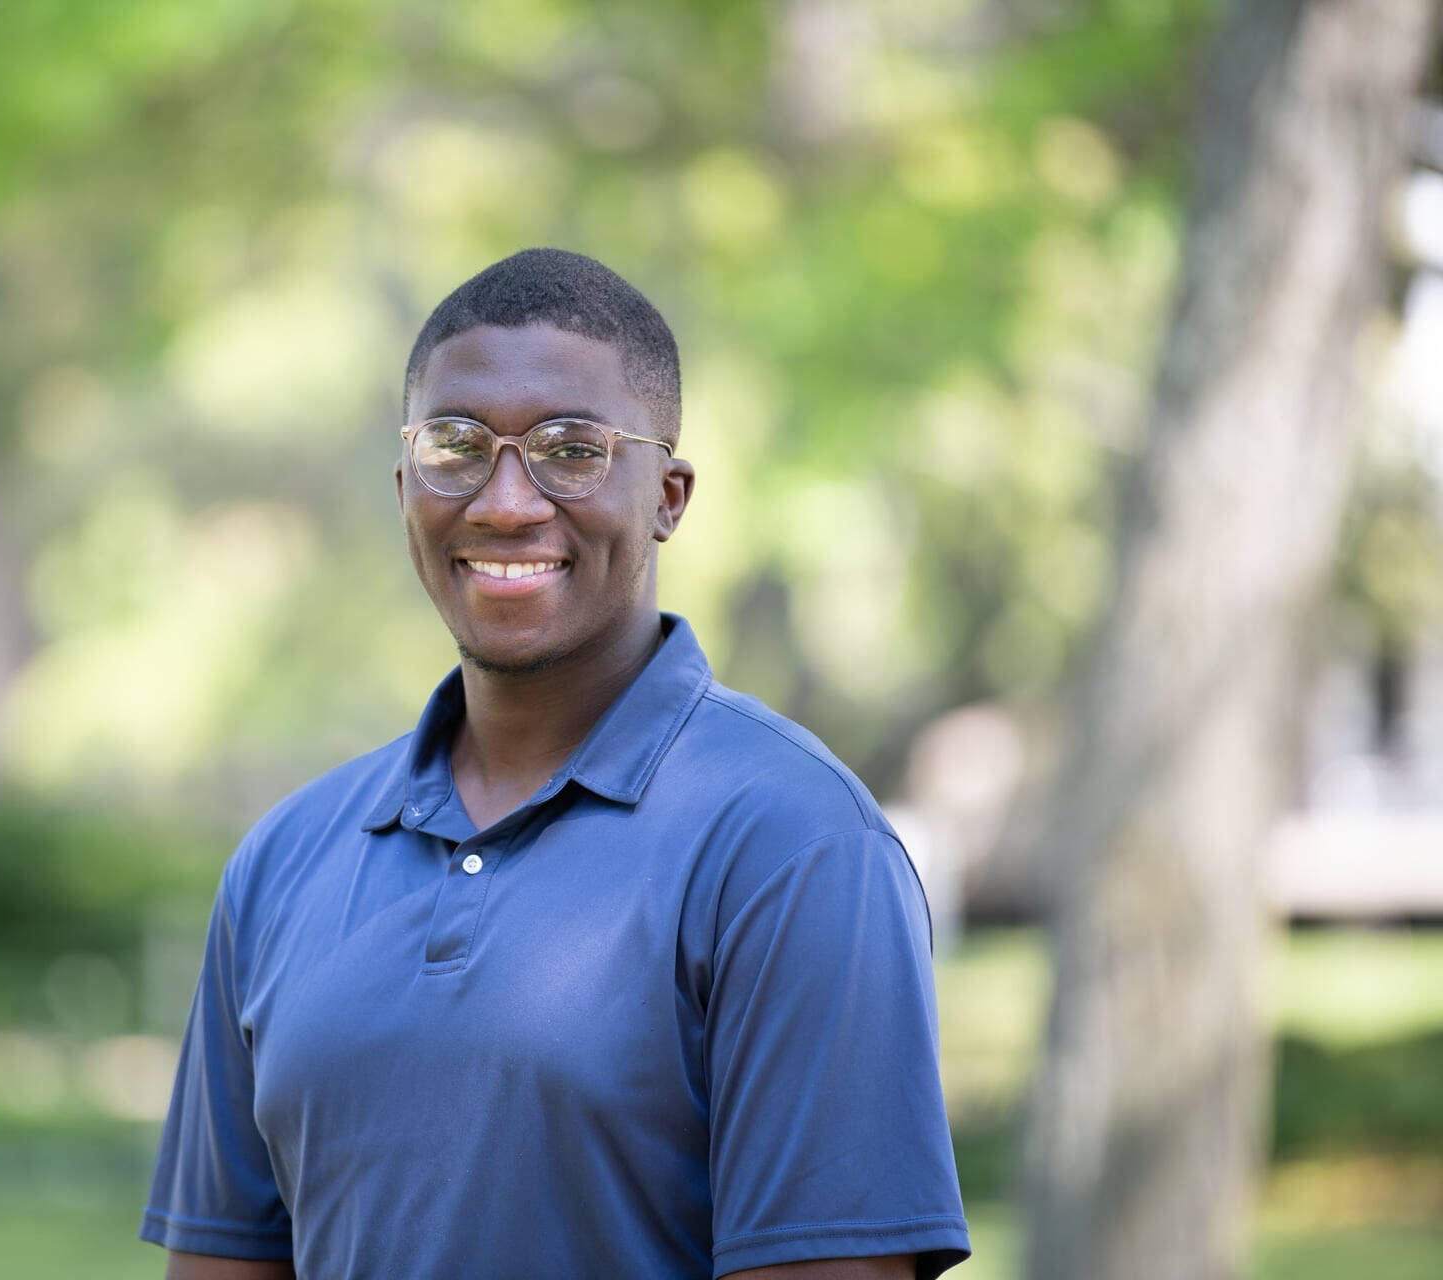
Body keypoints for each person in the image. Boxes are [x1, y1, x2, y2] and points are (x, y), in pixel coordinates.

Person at [142, 249, 971, 1279]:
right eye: (456, 446)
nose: (503, 501)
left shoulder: (794, 845)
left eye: (570, 449)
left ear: (667, 495)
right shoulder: (284, 860)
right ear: (406, 485)